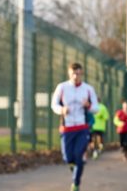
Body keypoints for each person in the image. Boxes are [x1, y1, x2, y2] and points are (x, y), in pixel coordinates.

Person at [51, 62, 99, 191]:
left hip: (82, 127)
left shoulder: (88, 89)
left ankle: (76, 183)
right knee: (67, 157)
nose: (76, 76)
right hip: (67, 128)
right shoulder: (62, 87)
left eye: (78, 73)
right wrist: (62, 109)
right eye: (73, 73)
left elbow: (96, 108)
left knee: (78, 156)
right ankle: (75, 166)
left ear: (81, 73)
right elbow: (54, 105)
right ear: (69, 73)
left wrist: (88, 105)